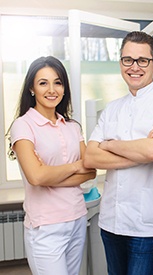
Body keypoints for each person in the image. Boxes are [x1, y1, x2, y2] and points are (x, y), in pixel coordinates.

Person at [84, 31, 153, 275]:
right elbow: (90, 158)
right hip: (110, 220)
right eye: (128, 60)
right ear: (121, 63)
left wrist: (109, 144)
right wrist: (140, 150)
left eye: (143, 60)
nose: (134, 67)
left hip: (147, 224)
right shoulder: (112, 108)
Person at [7, 56, 96, 275]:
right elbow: (36, 177)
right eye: (43, 83)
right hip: (46, 226)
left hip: (76, 218)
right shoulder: (23, 125)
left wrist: (51, 174)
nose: (51, 89)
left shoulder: (73, 126)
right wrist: (76, 166)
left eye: (57, 82)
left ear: (64, 88)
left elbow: (91, 170)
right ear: (32, 88)